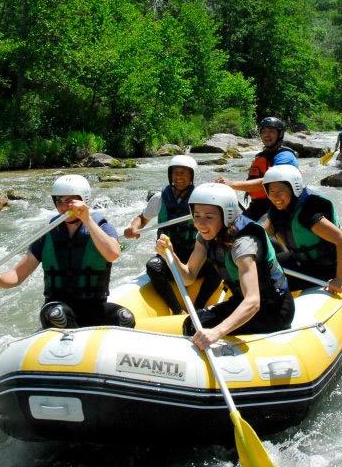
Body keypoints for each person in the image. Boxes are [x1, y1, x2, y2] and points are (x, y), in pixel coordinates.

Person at [0, 174, 135, 330]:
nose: (63, 206)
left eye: (70, 201)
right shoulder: (48, 233)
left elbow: (113, 254)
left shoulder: (101, 227)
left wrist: (87, 220)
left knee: (125, 318)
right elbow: (17, 276)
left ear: (83, 200)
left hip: (94, 307)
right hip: (56, 307)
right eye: (59, 201)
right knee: (57, 315)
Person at [156, 183, 294, 351]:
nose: (200, 223)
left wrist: (216, 332)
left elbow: (253, 301)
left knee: (200, 329)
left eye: (209, 217)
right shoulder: (205, 236)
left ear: (226, 215)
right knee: (192, 325)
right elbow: (188, 277)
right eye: (196, 215)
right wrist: (170, 256)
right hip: (239, 301)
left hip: (273, 309)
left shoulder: (243, 244)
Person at [123, 155, 222, 313]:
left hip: (195, 253)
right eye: (175, 173)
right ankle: (177, 310)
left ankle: (198, 307)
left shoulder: (201, 199)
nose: (179, 177)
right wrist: (133, 227)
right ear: (170, 175)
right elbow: (142, 219)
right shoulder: (159, 198)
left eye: (183, 173)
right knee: (153, 266)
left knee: (218, 263)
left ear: (191, 176)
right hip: (167, 252)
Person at [262, 165, 342, 294]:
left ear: (294, 189)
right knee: (260, 269)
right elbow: (264, 231)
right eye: (271, 192)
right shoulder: (278, 209)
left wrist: (339, 280)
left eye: (281, 191)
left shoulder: (309, 213)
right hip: (301, 261)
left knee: (267, 284)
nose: (275, 197)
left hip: (325, 269)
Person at [216, 116, 298, 220]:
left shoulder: (285, 156)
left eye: (271, 131)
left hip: (278, 207)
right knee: (228, 229)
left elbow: (274, 183)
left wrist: (232, 184)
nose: (267, 135)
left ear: (280, 134)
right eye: (263, 131)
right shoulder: (261, 156)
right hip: (256, 207)